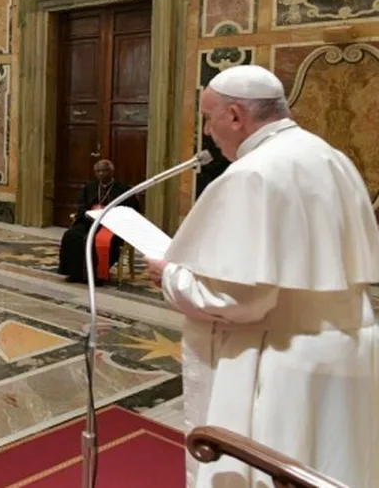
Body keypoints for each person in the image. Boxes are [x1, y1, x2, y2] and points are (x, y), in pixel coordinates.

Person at [144, 65, 379, 488]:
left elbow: (238, 300)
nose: (207, 132)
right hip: (349, 348)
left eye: (208, 118)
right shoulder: (331, 156)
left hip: (284, 361)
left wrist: (171, 276)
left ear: (235, 115)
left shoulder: (252, 173)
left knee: (274, 470)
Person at [58, 159, 138, 284]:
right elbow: (81, 206)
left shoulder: (123, 189)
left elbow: (130, 211)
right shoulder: (89, 187)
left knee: (99, 240)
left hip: (111, 225)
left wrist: (110, 214)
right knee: (71, 235)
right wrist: (88, 213)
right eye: (98, 171)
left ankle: (97, 275)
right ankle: (76, 273)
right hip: (89, 221)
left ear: (112, 172)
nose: (101, 173)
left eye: (104, 170)